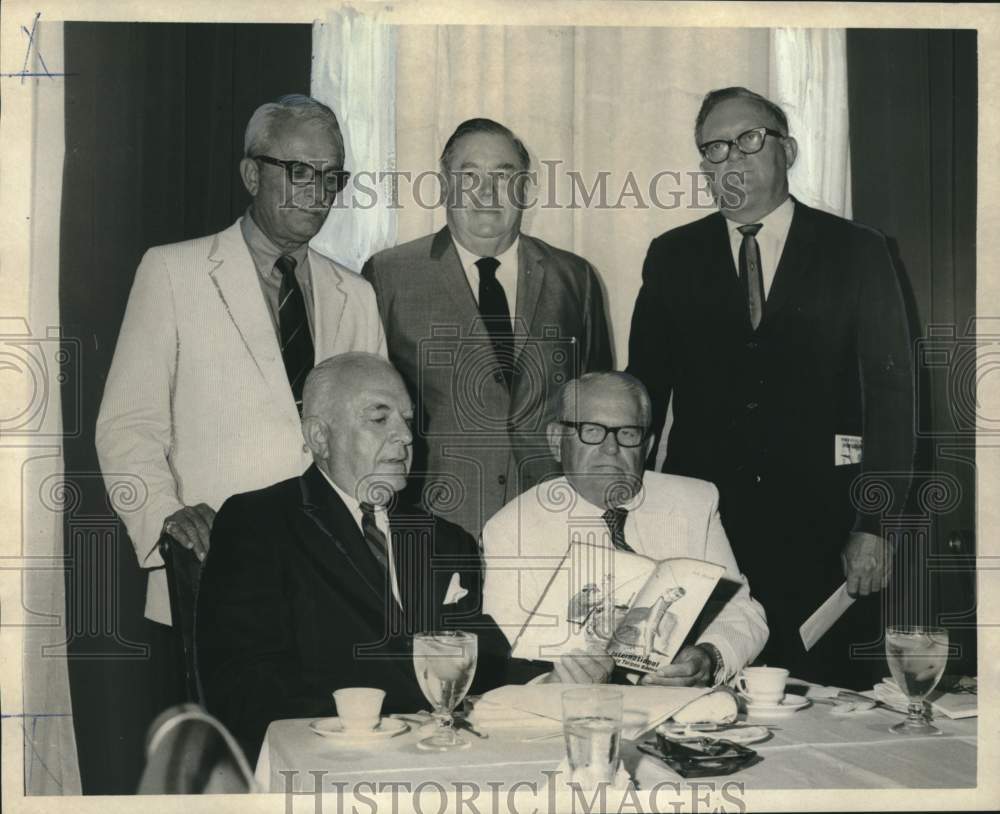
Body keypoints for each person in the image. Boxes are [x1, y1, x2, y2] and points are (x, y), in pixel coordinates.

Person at [627, 87, 914, 688]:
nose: (731, 157)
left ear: (788, 148)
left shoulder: (859, 252)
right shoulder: (672, 256)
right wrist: (630, 513)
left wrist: (874, 525)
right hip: (708, 530)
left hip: (826, 530)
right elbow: (643, 399)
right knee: (704, 698)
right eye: (714, 148)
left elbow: (893, 401)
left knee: (829, 702)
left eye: (749, 139)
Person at [96, 95, 385, 625]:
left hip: (337, 582)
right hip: (214, 569)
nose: (317, 193)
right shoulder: (171, 273)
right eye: (298, 170)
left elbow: (377, 437)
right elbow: (127, 426)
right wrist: (167, 518)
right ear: (252, 174)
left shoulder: (357, 294)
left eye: (330, 177)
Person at [195, 354, 510, 760]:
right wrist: (397, 710)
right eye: (379, 419)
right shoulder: (258, 524)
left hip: (439, 763)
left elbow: (481, 657)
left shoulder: (446, 541)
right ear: (320, 437)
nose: (406, 437)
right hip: (326, 763)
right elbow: (245, 687)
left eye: (407, 420)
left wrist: (548, 681)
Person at [362, 118, 612, 539]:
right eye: (469, 175)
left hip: (551, 522)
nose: (487, 192)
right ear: (444, 185)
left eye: (503, 175)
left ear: (526, 187)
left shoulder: (575, 279)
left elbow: (597, 409)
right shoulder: (389, 276)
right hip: (431, 525)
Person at [482, 372, 768, 687]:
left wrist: (708, 657)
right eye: (591, 431)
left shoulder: (695, 502)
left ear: (648, 446)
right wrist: (554, 682)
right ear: (555, 441)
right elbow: (506, 664)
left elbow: (743, 613)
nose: (611, 448)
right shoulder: (512, 529)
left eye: (628, 433)